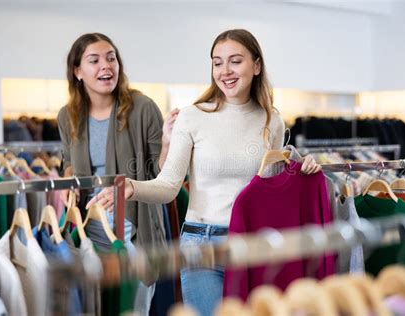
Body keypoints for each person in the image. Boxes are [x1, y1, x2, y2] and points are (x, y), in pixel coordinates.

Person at [87, 29, 321, 315]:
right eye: (217, 62)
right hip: (201, 245)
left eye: (235, 61)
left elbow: (269, 189)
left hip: (251, 244)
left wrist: (301, 169)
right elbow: (170, 185)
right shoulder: (192, 116)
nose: (225, 71)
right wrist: (131, 188)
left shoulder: (271, 120)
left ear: (256, 65)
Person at [57, 32, 176, 315]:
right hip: (89, 232)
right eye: (94, 60)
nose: (106, 66)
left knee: (133, 309)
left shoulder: (142, 108)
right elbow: (67, 162)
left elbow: (162, 173)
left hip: (135, 230)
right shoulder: (67, 115)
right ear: (77, 71)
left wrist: (169, 142)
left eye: (111, 58)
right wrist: (68, 181)